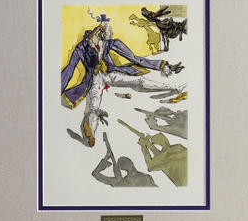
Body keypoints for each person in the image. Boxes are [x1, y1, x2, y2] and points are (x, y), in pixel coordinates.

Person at [61, 14, 185, 147]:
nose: (104, 39)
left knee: (139, 80)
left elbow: (134, 58)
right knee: (94, 107)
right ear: (97, 33)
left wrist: (161, 65)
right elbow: (70, 68)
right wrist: (58, 88)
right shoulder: (81, 48)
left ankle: (173, 88)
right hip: (95, 78)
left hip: (110, 73)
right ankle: (91, 136)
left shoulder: (110, 42)